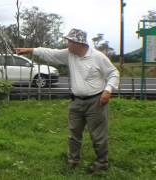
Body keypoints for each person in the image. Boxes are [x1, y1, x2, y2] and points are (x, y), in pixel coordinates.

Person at [14, 28, 119, 174]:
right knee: (74, 133)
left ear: (79, 43)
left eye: (69, 41)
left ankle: (102, 162)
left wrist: (108, 90)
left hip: (96, 101)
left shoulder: (98, 57)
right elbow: (50, 53)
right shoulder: (70, 54)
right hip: (76, 101)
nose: (67, 44)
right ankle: (73, 160)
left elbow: (113, 73)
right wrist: (30, 50)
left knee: (98, 135)